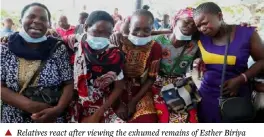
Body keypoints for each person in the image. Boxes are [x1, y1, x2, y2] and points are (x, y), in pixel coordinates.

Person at [1, 2, 73, 123]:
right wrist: (30, 106)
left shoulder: (58, 48)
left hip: (51, 118)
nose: (37, 21)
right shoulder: (5, 48)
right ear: (20, 20)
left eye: (43, 19)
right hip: (13, 119)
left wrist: (58, 110)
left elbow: (69, 83)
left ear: (49, 24)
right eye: (31, 16)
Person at [193, 2, 264, 123]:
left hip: (237, 95)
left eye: (205, 23)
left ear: (220, 16)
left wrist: (241, 79)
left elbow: (262, 60)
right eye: (198, 26)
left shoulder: (246, 33)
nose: (202, 28)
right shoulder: (200, 36)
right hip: (207, 96)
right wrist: (198, 59)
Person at [68, 11, 125, 123]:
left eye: (107, 34)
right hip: (74, 101)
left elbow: (119, 86)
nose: (101, 37)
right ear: (86, 27)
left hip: (102, 103)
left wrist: (99, 113)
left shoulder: (114, 55)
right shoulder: (72, 44)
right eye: (97, 32)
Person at [151, 7, 201, 123]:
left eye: (194, 25)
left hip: (179, 85)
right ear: (176, 20)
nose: (190, 26)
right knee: (161, 115)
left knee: (188, 117)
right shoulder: (157, 41)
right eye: (186, 21)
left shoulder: (195, 45)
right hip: (155, 83)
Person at [116, 9, 162, 123]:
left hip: (141, 91)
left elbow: (151, 78)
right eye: (136, 29)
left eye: (146, 30)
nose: (141, 34)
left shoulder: (155, 47)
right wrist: (118, 103)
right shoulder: (119, 41)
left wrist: (134, 101)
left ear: (152, 29)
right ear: (130, 27)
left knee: (148, 120)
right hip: (116, 90)